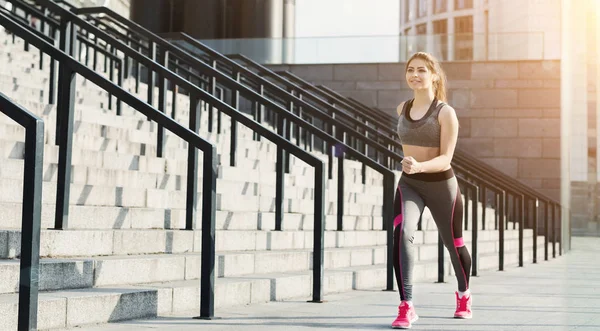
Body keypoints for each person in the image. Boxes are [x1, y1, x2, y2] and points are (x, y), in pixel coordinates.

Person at [391, 52, 472, 329]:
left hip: (441, 185)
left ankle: (464, 294)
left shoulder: (445, 112)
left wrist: (420, 167)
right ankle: (407, 305)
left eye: (422, 70)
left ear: (434, 75)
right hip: (409, 184)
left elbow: (446, 159)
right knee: (402, 233)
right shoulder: (402, 108)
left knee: (454, 244)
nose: (415, 75)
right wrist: (411, 168)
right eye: (411, 70)